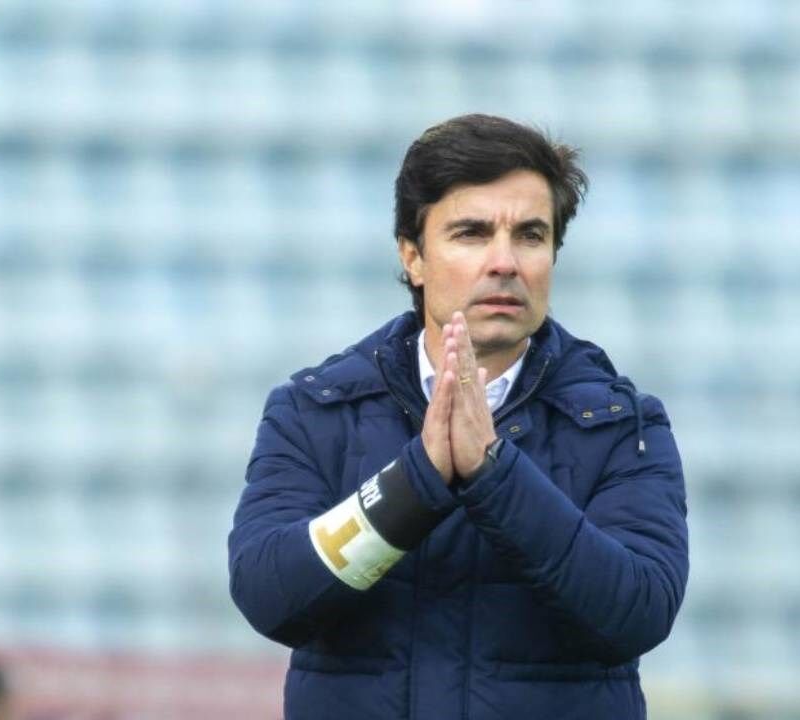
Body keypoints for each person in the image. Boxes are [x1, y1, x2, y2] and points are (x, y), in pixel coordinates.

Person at [228, 114, 689, 719]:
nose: (505, 262)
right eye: (471, 233)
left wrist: (494, 474)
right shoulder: (315, 411)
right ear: (413, 256)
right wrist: (417, 481)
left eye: (530, 235)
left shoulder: (621, 425)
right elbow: (269, 596)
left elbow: (638, 612)